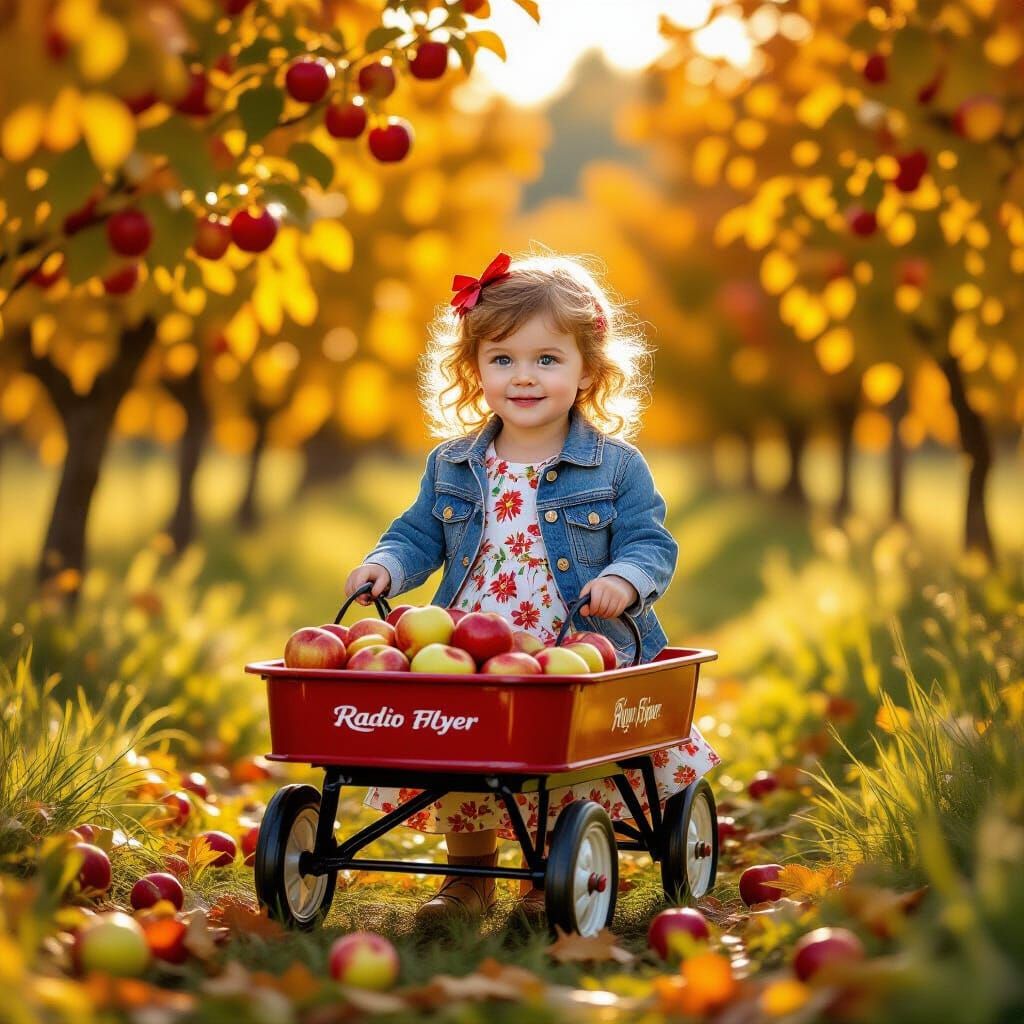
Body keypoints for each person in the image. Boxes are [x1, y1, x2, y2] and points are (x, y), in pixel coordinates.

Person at [344, 248, 720, 923]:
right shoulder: (454, 463)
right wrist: (386, 567)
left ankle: (547, 876)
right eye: (503, 359)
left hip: (572, 643)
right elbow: (418, 534)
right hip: (468, 646)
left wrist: (623, 581)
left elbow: (650, 542)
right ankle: (468, 878)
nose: (524, 377)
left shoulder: (614, 466)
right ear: (475, 370)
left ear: (586, 371)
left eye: (547, 359)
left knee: (564, 763)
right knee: (464, 759)